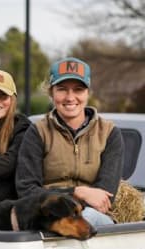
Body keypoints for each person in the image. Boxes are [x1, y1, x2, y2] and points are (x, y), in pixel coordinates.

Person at [15, 57, 124, 226]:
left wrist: (70, 202)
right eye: (62, 89)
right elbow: (27, 191)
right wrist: (77, 192)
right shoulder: (37, 132)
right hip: (48, 215)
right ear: (51, 92)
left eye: (78, 90)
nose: (70, 97)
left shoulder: (109, 133)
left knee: (88, 218)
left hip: (93, 216)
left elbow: (104, 197)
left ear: (88, 93)